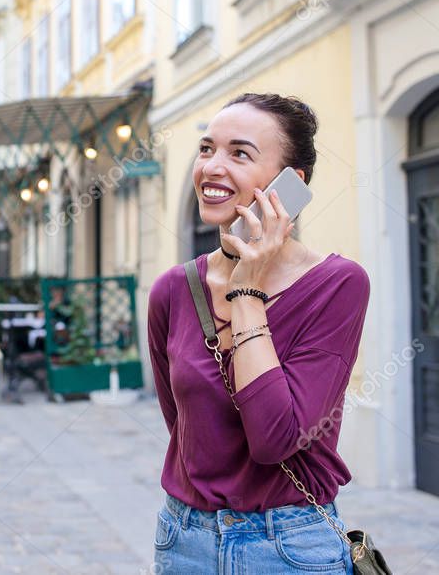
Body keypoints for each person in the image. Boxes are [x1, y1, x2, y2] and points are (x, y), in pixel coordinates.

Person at [147, 93, 370, 574]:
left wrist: (246, 288)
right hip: (185, 542)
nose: (212, 167)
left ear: (290, 185)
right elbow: (186, 431)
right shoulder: (172, 290)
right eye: (207, 149)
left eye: (239, 153)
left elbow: (275, 439)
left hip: (288, 547)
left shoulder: (338, 285)